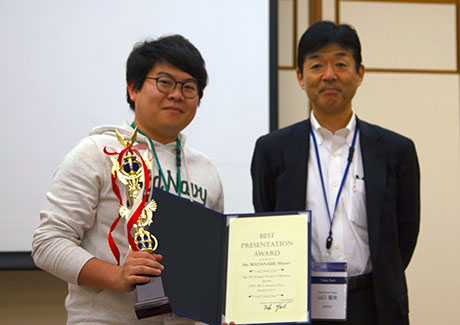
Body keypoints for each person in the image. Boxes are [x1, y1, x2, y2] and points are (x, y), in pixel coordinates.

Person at [32, 35, 224, 324]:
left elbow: (215, 255)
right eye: (164, 82)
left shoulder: (205, 170)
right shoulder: (96, 153)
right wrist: (117, 275)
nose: (176, 94)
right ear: (133, 88)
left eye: (189, 87)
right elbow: (47, 243)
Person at [251, 21, 420, 324]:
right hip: (296, 306)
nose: (329, 75)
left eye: (341, 64)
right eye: (317, 65)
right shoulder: (271, 150)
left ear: (360, 74)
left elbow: (404, 235)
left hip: (375, 304)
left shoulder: (396, 150)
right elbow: (267, 222)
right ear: (301, 77)